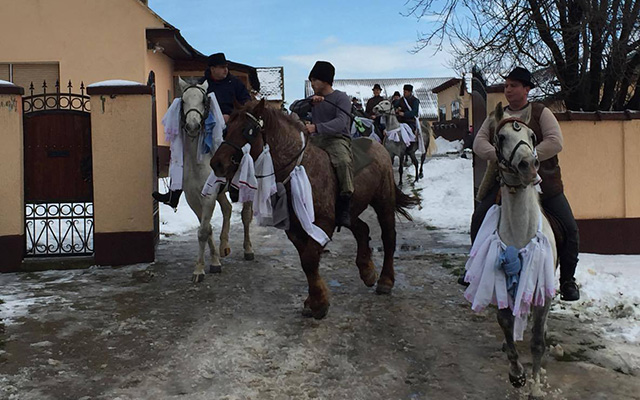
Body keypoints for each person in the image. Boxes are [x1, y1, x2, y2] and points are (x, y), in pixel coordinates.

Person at [470, 66, 581, 301]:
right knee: (478, 219)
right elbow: (479, 142)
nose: (508, 90)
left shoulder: (541, 113)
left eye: (513, 85)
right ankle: (474, 271)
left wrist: (527, 157)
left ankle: (568, 280)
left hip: (544, 183)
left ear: (527, 89)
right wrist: (498, 155)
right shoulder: (496, 115)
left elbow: (555, 141)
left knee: (570, 228)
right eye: (507, 86)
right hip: (504, 184)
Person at [153, 52, 251, 207]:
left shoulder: (235, 83)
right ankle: (175, 192)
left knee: (236, 150)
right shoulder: (201, 85)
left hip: (230, 126)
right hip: (206, 128)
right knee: (182, 150)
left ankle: (235, 185)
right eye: (221, 67)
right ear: (212, 69)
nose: (225, 70)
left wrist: (231, 116)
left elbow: (247, 104)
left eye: (226, 67)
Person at [305, 61, 354, 228]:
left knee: (342, 161)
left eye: (314, 80)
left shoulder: (341, 98)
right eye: (311, 80)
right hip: (316, 140)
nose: (312, 84)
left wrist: (316, 127)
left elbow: (341, 122)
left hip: (336, 139)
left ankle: (345, 203)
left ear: (325, 81)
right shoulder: (313, 99)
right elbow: (293, 107)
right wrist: (309, 103)